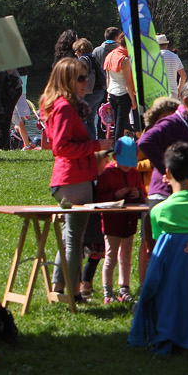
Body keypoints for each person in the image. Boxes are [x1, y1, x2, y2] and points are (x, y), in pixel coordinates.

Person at [40, 57, 114, 300]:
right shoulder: (63, 108)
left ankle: (59, 288)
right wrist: (96, 145)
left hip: (72, 178)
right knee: (74, 240)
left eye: (87, 77)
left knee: (69, 237)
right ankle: (72, 294)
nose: (87, 82)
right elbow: (61, 147)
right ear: (67, 80)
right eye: (81, 78)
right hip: (72, 179)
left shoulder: (64, 106)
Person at [94, 149, 146, 304]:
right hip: (112, 221)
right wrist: (114, 196)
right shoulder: (107, 173)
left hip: (129, 221)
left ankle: (124, 288)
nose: (127, 167)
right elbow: (99, 197)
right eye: (124, 163)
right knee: (111, 256)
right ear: (116, 157)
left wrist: (138, 195)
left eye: (130, 164)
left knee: (126, 256)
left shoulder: (134, 173)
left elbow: (142, 193)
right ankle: (108, 292)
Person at [103, 31, 137, 139]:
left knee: (118, 121)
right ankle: (118, 146)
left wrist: (108, 93)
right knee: (121, 123)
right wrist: (133, 99)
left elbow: (107, 77)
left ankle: (118, 144)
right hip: (123, 94)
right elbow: (128, 82)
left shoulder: (110, 55)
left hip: (112, 92)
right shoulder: (125, 60)